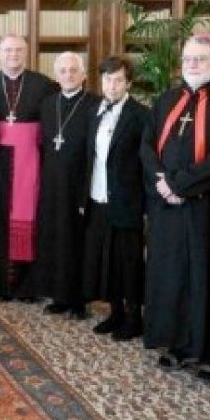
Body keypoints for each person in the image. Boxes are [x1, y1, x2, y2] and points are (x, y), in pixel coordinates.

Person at [141, 34, 210, 377]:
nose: (193, 65)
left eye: (200, 59)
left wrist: (181, 184)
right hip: (166, 206)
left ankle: (208, 352)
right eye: (187, 59)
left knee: (203, 276)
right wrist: (162, 183)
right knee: (170, 274)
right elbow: (146, 146)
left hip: (203, 206)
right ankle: (175, 343)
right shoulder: (167, 99)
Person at [0, 34, 58, 301]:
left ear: (26, 53)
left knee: (30, 219)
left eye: (18, 50)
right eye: (7, 50)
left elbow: (51, 128)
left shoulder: (44, 85)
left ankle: (28, 285)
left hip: (31, 161)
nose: (13, 54)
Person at [81, 56, 150, 342]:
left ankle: (134, 317)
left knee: (128, 261)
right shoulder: (94, 112)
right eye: (108, 79)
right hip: (98, 195)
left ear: (128, 83)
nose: (112, 86)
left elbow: (146, 162)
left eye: (118, 80)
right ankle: (115, 311)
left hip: (127, 200)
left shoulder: (141, 115)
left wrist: (144, 204)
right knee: (106, 258)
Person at [31, 51, 96, 320]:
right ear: (56, 76)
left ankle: (79, 299)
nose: (68, 75)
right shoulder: (48, 104)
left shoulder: (94, 104)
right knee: (54, 238)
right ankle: (58, 296)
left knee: (77, 241)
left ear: (83, 74)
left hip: (79, 183)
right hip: (51, 184)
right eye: (63, 71)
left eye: (73, 70)